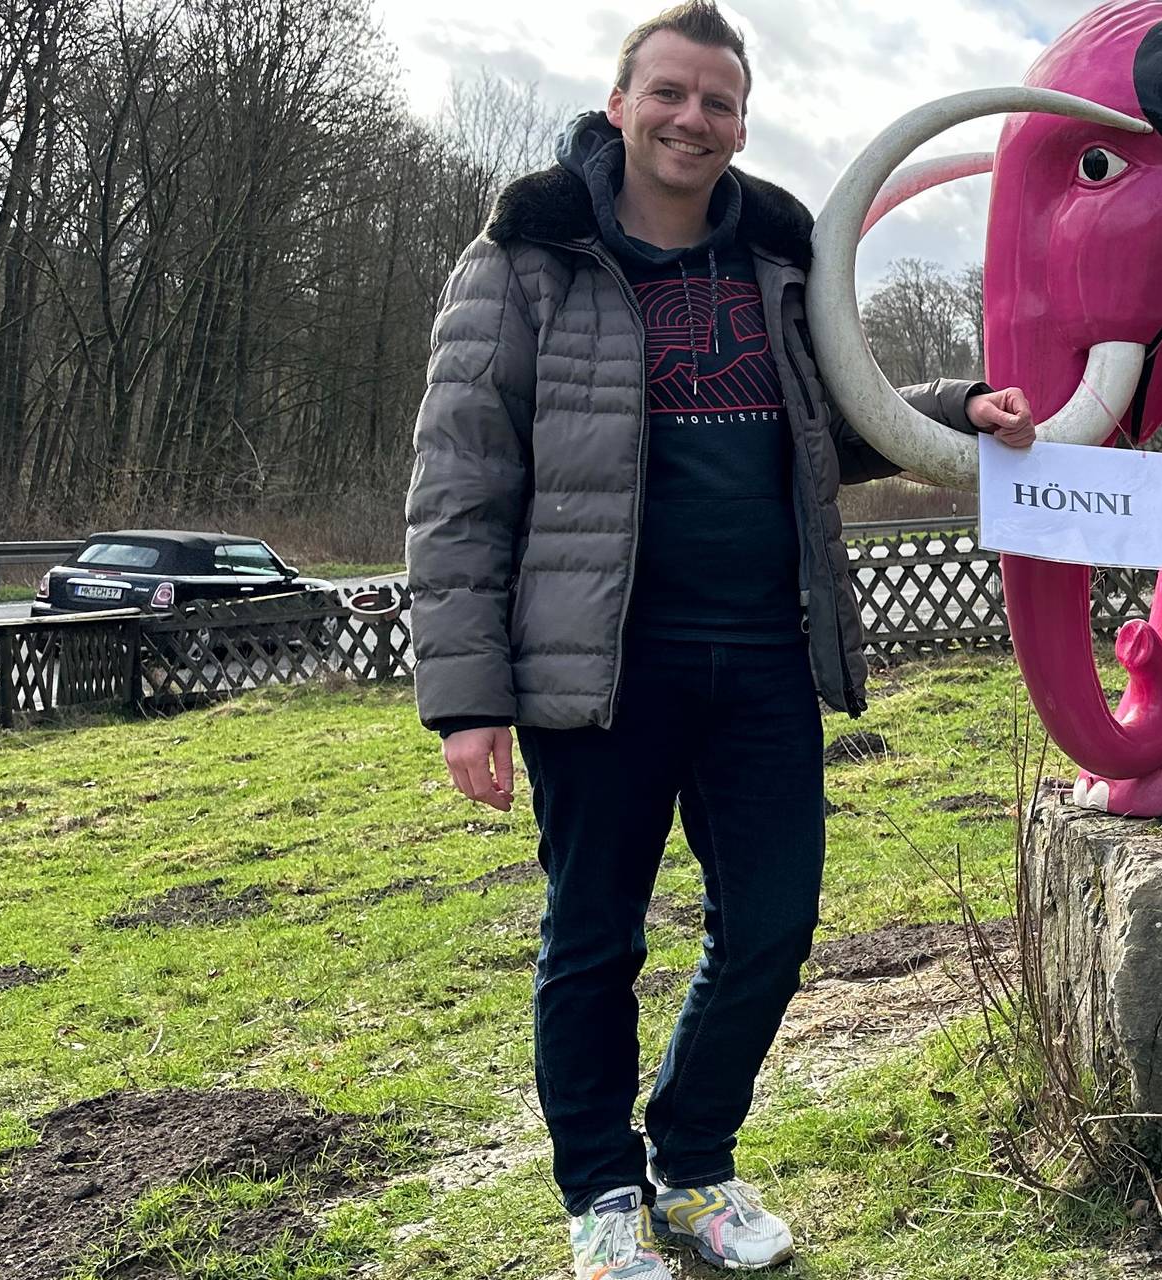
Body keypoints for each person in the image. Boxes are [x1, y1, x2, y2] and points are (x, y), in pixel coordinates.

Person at [404, 3, 1035, 1273]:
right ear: (621, 99)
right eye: (672, 93)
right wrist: (464, 696)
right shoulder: (525, 255)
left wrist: (953, 403)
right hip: (597, 670)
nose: (694, 119)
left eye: (720, 101)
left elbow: (834, 417)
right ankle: (599, 1196)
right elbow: (458, 485)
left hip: (758, 658)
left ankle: (693, 1163)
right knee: (594, 936)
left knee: (773, 923)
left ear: (743, 120)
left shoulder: (783, 255)